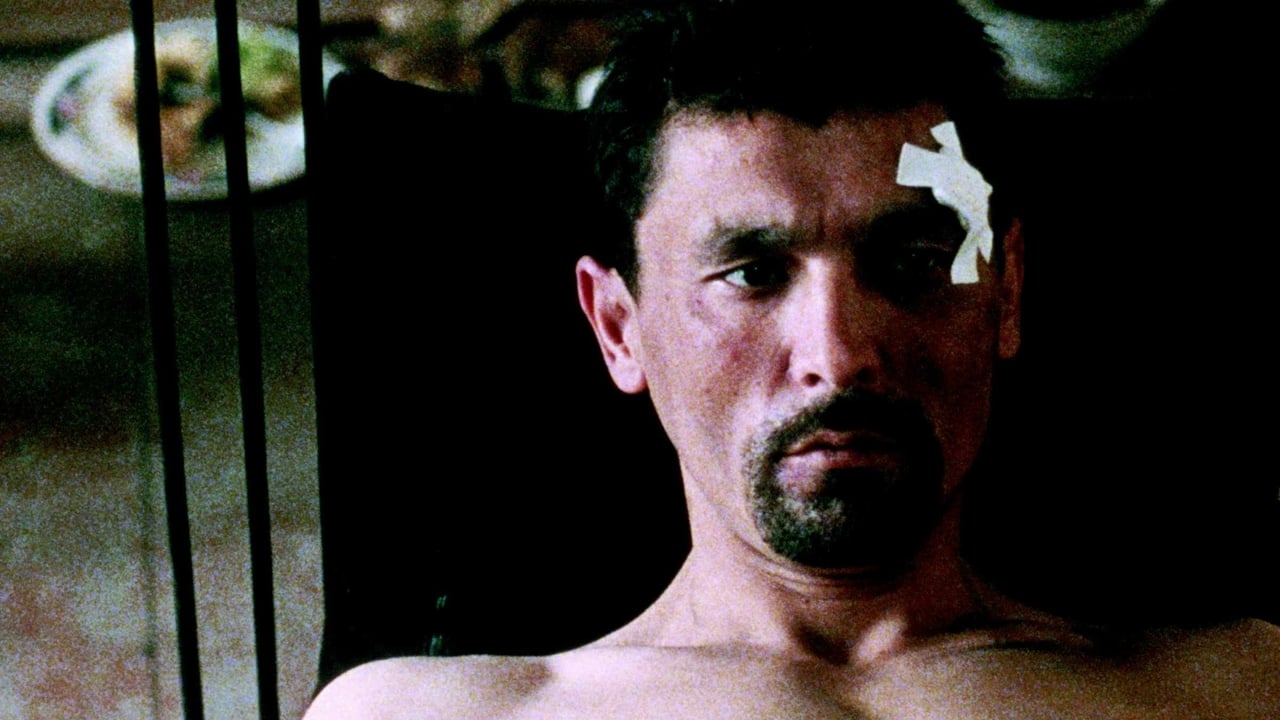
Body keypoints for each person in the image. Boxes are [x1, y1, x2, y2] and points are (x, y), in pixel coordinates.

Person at [305, 1, 1279, 717]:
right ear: (619, 327)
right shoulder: (418, 715)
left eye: (912, 261)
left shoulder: (1233, 690)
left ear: (1006, 294)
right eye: (751, 273)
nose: (838, 357)